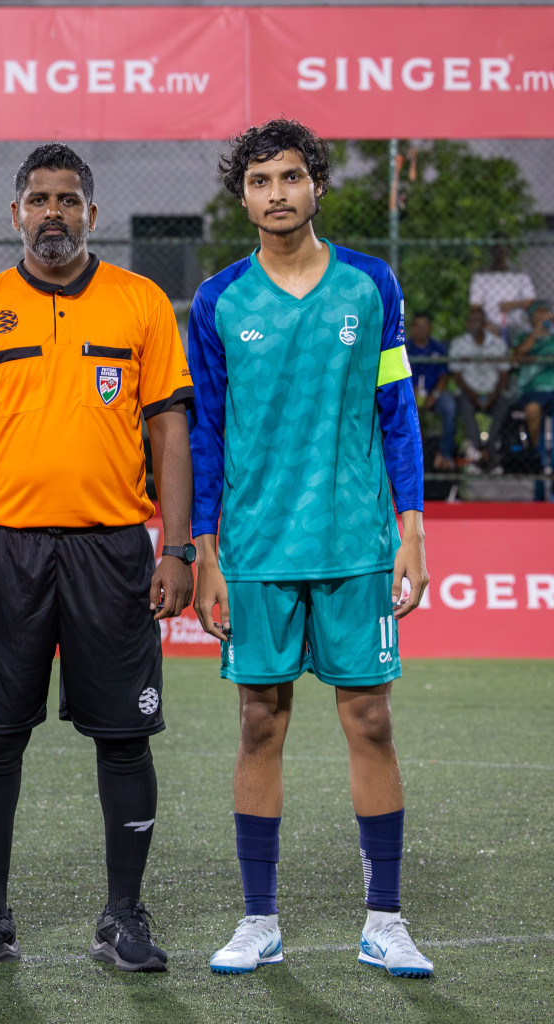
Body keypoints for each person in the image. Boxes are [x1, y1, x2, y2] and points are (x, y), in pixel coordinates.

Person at [0, 143, 194, 974]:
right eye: (39, 199)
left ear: (91, 213)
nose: (53, 212)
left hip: (113, 551)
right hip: (4, 555)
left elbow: (170, 433)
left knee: (124, 739)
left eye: (69, 199)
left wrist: (178, 546)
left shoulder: (141, 302)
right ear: (14, 214)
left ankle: (124, 914)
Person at [186, 118, 433, 979]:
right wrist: (204, 551)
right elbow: (208, 433)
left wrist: (412, 531)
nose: (278, 193)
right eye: (261, 181)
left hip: (358, 543)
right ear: (243, 195)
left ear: (316, 185)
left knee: (370, 718)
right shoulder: (219, 300)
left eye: (292, 177)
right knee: (260, 723)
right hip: (255, 550)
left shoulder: (372, 287)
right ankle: (260, 919)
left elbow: (397, 416)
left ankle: (386, 918)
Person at [447, 307, 515, 469]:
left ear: (484, 323)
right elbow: (456, 374)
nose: (473, 324)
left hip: (494, 391)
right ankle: (479, 449)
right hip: (469, 392)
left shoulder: (497, 343)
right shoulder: (458, 344)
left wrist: (493, 395)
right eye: (470, 320)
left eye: (477, 320)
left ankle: (490, 449)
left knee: (504, 403)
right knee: (463, 404)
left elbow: (504, 373)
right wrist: (474, 395)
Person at [405, 313, 455, 471]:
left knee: (450, 406)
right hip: (409, 393)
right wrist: (410, 391)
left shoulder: (438, 348)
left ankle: (444, 454)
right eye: (417, 325)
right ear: (411, 328)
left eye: (424, 326)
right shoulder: (403, 349)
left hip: (434, 394)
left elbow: (444, 376)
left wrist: (434, 395)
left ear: (430, 328)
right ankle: (404, 455)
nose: (421, 330)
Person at [513, 301, 554, 470]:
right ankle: (538, 452)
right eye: (537, 313)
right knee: (532, 410)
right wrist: (536, 333)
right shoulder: (524, 336)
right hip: (533, 389)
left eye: (545, 312)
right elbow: (519, 354)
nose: (541, 316)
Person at [469, 240, 536, 336]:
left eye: (503, 248)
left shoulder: (520, 274)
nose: (500, 252)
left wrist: (512, 305)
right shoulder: (480, 276)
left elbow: (530, 301)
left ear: (508, 250)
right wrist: (485, 324)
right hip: (490, 324)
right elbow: (475, 306)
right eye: (496, 249)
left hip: (517, 323)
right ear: (490, 251)